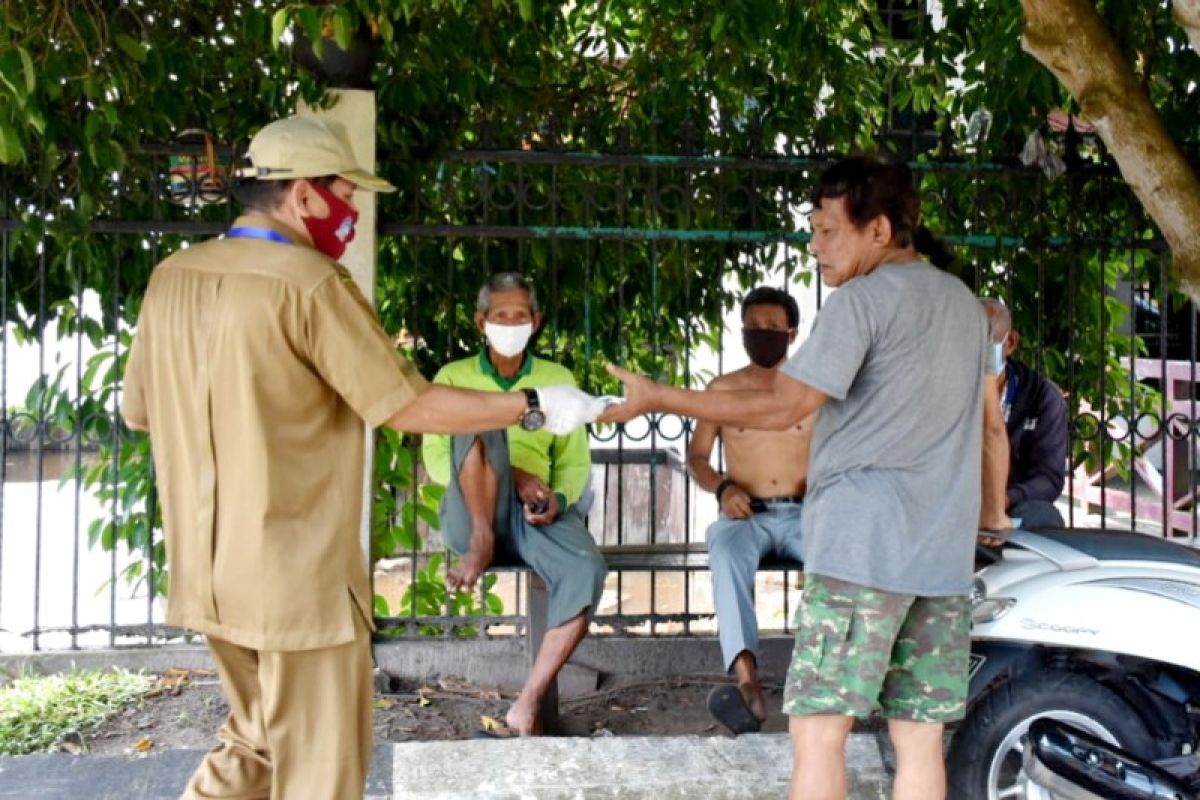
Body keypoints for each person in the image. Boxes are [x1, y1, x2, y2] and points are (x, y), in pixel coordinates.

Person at [120, 115, 603, 800]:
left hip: (208, 571)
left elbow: (137, 410)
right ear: (306, 196)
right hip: (295, 577)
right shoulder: (309, 282)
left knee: (254, 744)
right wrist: (530, 403)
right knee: (321, 772)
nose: (352, 210)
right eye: (346, 191)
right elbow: (405, 405)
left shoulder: (173, 277)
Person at [602, 154, 1010, 800]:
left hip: (859, 555)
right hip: (940, 562)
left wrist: (661, 397)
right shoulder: (964, 305)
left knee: (818, 733)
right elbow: (992, 429)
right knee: (920, 739)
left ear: (878, 230)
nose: (815, 244)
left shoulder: (861, 301)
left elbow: (781, 404)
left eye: (828, 229)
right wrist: (993, 518)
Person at [422, 272, 607, 737]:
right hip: (473, 512)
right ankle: (483, 542)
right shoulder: (452, 377)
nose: (510, 323)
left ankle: (528, 704)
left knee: (587, 570)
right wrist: (511, 476)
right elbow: (437, 458)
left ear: (536, 321)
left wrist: (556, 497)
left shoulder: (557, 379)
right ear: (481, 322)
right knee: (479, 410)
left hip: (534, 513)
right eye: (500, 316)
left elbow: (573, 460)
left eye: (519, 315)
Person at [686, 286, 811, 734]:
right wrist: (722, 488)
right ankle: (747, 684)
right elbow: (697, 456)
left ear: (791, 334)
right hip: (744, 515)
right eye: (754, 327)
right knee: (724, 553)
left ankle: (819, 679)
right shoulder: (723, 390)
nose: (762, 334)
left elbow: (841, 451)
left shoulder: (810, 389)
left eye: (773, 328)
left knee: (839, 562)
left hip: (806, 513)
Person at [982, 298, 1069, 529]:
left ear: (1010, 343)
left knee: (1042, 515)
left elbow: (1048, 478)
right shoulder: (948, 390)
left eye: (985, 344)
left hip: (1014, 505)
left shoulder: (1042, 397)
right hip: (959, 502)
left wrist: (1002, 502)